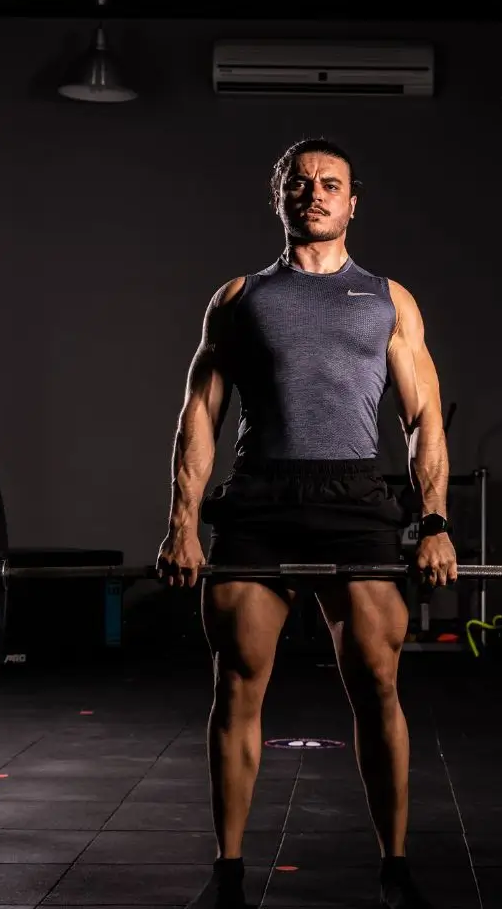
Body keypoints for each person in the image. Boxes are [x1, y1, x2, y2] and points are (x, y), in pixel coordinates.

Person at [157, 139, 457, 909]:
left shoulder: (389, 299)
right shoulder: (239, 298)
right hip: (260, 497)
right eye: (300, 183)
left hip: (354, 498)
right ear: (280, 197)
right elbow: (200, 417)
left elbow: (423, 419)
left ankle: (395, 868)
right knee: (236, 684)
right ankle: (228, 873)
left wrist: (434, 521)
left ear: (353, 202)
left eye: (330, 184)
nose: (315, 193)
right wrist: (182, 525)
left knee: (379, 683)